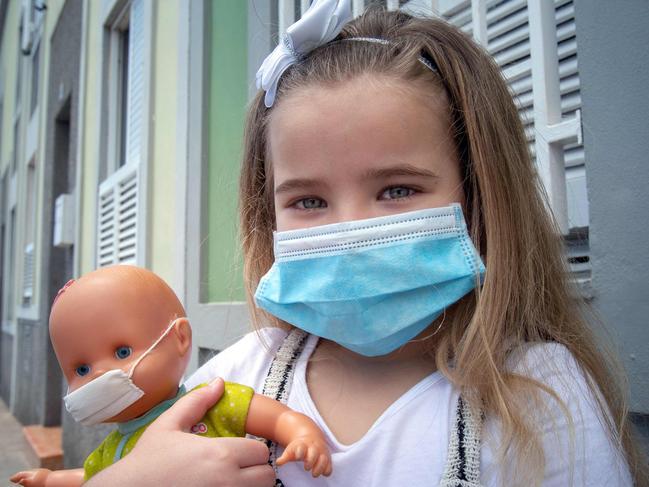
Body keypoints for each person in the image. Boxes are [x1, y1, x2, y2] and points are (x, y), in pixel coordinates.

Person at [85, 1, 647, 486]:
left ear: (479, 195)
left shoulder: (539, 400)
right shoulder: (232, 380)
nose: (348, 231)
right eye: (308, 202)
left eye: (397, 189)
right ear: (269, 214)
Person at [10, 266, 331, 486]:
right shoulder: (112, 449)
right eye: (81, 369)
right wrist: (52, 479)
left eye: (122, 352)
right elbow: (92, 477)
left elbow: (272, 417)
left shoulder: (206, 401)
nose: (99, 374)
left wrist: (302, 434)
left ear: (179, 339)